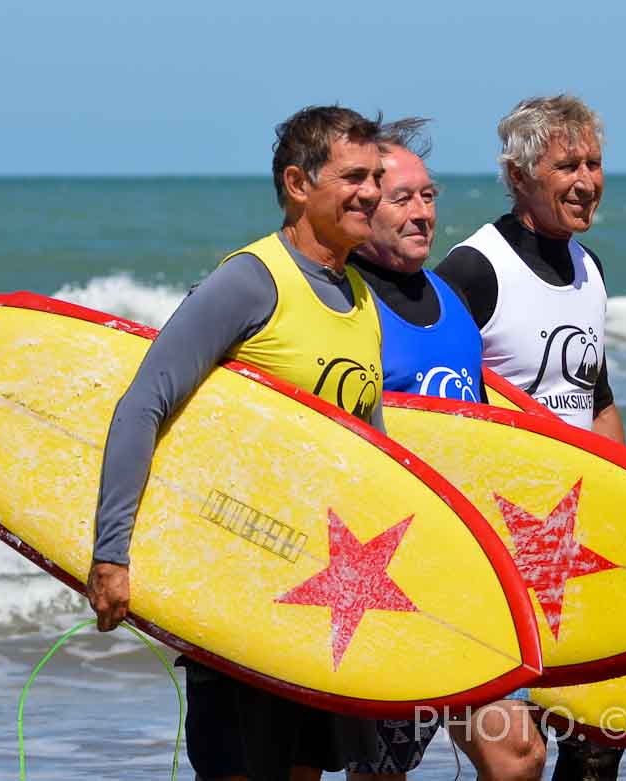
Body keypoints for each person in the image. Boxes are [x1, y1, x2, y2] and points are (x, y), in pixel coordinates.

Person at [86, 105, 387, 781]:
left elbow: (373, 454)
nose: (371, 191)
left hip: (325, 593)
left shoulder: (362, 297)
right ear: (298, 183)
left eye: (376, 175)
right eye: (354, 176)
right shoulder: (251, 280)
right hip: (240, 585)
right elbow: (143, 403)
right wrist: (112, 552)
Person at [344, 119, 545, 781]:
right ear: (364, 204)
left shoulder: (451, 303)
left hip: (463, 571)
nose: (423, 212)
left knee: (517, 753)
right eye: (404, 198)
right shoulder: (344, 303)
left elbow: (481, 433)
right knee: (382, 772)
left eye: (429, 196)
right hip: (383, 575)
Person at [436, 94, 626, 781]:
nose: (587, 179)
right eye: (566, 164)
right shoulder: (474, 270)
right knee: (516, 757)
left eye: (595, 162)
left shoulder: (590, 268)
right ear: (519, 175)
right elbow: (428, 396)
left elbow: (595, 398)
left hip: (570, 546)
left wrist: (625, 505)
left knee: (599, 741)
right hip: (493, 545)